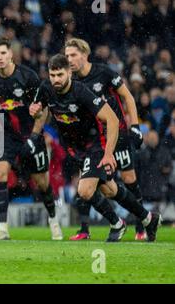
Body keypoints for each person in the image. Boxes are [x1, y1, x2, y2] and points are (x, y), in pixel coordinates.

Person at [29, 54, 161, 242]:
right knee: (109, 190)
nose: (56, 79)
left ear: (69, 73)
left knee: (84, 191)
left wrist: (108, 154)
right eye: (52, 75)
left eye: (60, 74)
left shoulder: (82, 91)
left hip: (95, 144)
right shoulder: (45, 88)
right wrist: (34, 111)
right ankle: (149, 218)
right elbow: (38, 110)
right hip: (76, 148)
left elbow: (113, 120)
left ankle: (117, 223)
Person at [0, 38, 63, 241]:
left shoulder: (28, 77)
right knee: (0, 173)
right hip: (5, 135)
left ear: (11, 55)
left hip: (29, 133)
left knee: (42, 182)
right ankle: (3, 229)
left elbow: (42, 110)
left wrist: (35, 136)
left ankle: (53, 221)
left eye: (2, 53)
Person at [65, 38, 147, 241]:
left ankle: (142, 224)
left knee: (129, 179)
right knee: (87, 181)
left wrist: (135, 126)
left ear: (85, 55)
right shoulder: (71, 81)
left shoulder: (104, 73)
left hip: (116, 135)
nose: (70, 60)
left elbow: (127, 97)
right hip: (92, 142)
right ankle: (84, 229)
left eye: (73, 55)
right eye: (67, 56)